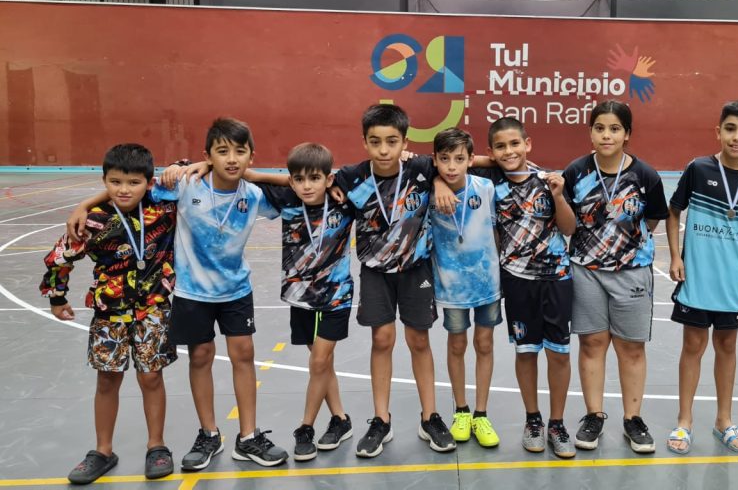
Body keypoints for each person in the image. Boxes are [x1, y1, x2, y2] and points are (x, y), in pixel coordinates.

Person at [69, 119, 290, 469]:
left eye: (240, 152)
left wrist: (251, 174)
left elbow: (299, 184)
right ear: (207, 155)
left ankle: (248, 436)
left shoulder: (254, 194)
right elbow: (133, 185)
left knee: (244, 354)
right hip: (192, 291)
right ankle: (209, 434)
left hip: (236, 290)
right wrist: (85, 204)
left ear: (252, 155)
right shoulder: (187, 184)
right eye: (222, 152)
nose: (232, 159)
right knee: (200, 356)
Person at [43, 144, 178, 484]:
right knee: (107, 380)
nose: (123, 190)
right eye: (115, 182)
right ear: (104, 181)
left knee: (152, 377)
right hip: (109, 315)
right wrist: (57, 298)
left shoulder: (163, 207)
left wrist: (87, 199)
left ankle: (156, 446)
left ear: (148, 182)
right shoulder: (92, 221)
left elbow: (192, 169)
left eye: (133, 182)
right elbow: (60, 258)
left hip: (153, 310)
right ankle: (103, 450)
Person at [333, 104, 455, 458]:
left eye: (391, 141)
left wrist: (438, 180)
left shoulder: (422, 168)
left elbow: (466, 161)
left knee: (419, 340)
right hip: (375, 271)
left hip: (416, 269)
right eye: (375, 142)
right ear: (364, 142)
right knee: (382, 339)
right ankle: (381, 420)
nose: (384, 150)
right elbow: (298, 177)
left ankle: (430, 417)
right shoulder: (351, 177)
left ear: (405, 141)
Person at [561, 100, 668, 454]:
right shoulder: (576, 172)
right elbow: (567, 221)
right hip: (586, 271)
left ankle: (632, 418)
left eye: (614, 129)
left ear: (627, 134)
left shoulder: (645, 176)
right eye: (599, 128)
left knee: (631, 347)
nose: (606, 135)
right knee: (592, 343)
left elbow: (652, 220)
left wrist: (624, 248)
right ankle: (594, 415)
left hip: (632, 271)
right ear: (590, 132)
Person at [666, 99, 738, 454]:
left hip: (731, 281)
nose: (737, 137)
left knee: (727, 347)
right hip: (697, 278)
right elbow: (673, 212)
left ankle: (723, 420)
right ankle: (684, 421)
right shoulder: (698, 168)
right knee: (692, 346)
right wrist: (676, 256)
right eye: (730, 129)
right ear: (718, 131)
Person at [244, 143, 357, 461]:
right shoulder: (288, 199)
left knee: (319, 362)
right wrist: (255, 174)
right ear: (291, 181)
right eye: (300, 179)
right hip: (300, 298)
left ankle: (305, 427)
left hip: (336, 296)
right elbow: (240, 177)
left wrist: (335, 184)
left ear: (328, 179)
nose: (307, 186)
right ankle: (341, 419)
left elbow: (363, 175)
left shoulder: (345, 201)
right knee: (323, 364)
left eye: (315, 178)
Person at [472, 117, 577, 458]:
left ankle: (557, 423)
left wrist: (558, 197)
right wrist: (491, 160)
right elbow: (457, 161)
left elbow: (569, 228)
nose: (509, 151)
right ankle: (533, 419)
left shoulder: (548, 181)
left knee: (559, 354)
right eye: (500, 147)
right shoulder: (489, 183)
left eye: (515, 144)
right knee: (526, 351)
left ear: (528, 144)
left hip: (556, 278)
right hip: (516, 280)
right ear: (491, 152)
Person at [428, 128, 503, 448]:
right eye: (444, 159)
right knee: (457, 345)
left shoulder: (486, 187)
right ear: (434, 160)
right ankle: (461, 410)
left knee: (484, 344)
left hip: (487, 282)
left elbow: (497, 229)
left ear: (471, 159)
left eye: (459, 159)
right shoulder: (429, 193)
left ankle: (481, 414)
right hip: (452, 286)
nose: (451, 166)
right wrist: (436, 181)